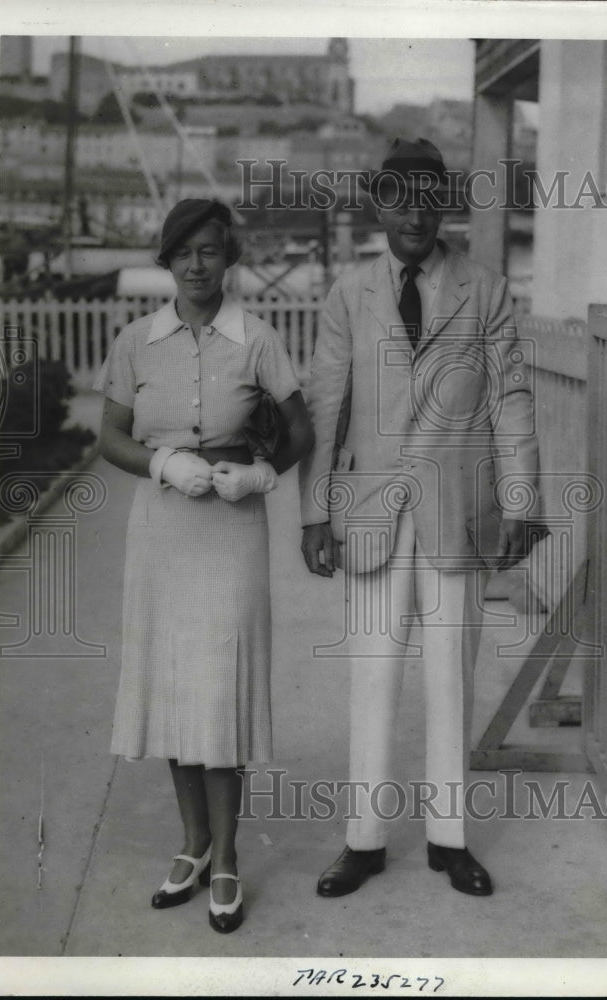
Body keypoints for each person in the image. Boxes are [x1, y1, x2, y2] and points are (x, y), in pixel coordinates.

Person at [299, 138, 541, 898]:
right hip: (370, 516)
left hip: (457, 517)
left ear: (446, 203)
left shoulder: (488, 289)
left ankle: (449, 837)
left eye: (427, 195)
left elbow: (510, 400)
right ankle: (364, 842)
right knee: (371, 681)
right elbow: (324, 405)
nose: (414, 211)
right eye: (398, 195)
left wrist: (522, 502)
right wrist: (315, 514)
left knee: (450, 683)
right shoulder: (349, 293)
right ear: (379, 203)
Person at [95, 198, 313, 933]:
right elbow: (110, 437)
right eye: (184, 252)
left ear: (229, 259)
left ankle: (226, 858)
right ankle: (190, 845)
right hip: (162, 528)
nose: (197, 265)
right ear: (166, 259)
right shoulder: (135, 340)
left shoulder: (256, 338)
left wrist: (262, 475)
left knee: (219, 689)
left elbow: (301, 428)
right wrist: (160, 462)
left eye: (211, 251)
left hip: (231, 523)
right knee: (174, 686)